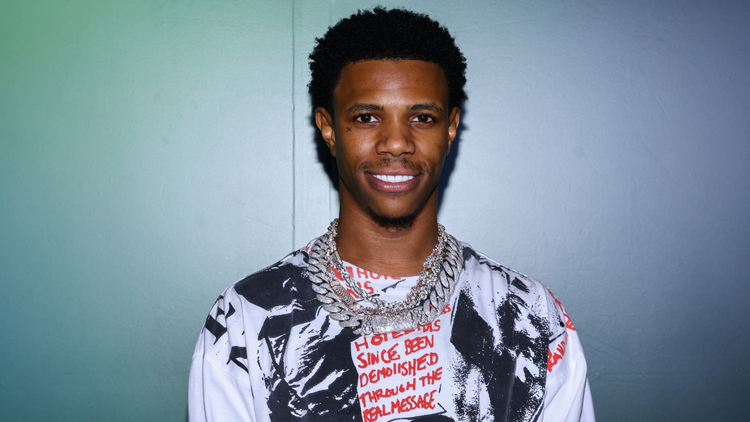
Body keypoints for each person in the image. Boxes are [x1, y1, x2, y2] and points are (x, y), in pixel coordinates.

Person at [188, 7, 594, 422]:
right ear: (328, 128)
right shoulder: (245, 319)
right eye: (367, 117)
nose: (396, 143)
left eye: (422, 118)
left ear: (450, 127)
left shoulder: (531, 317)